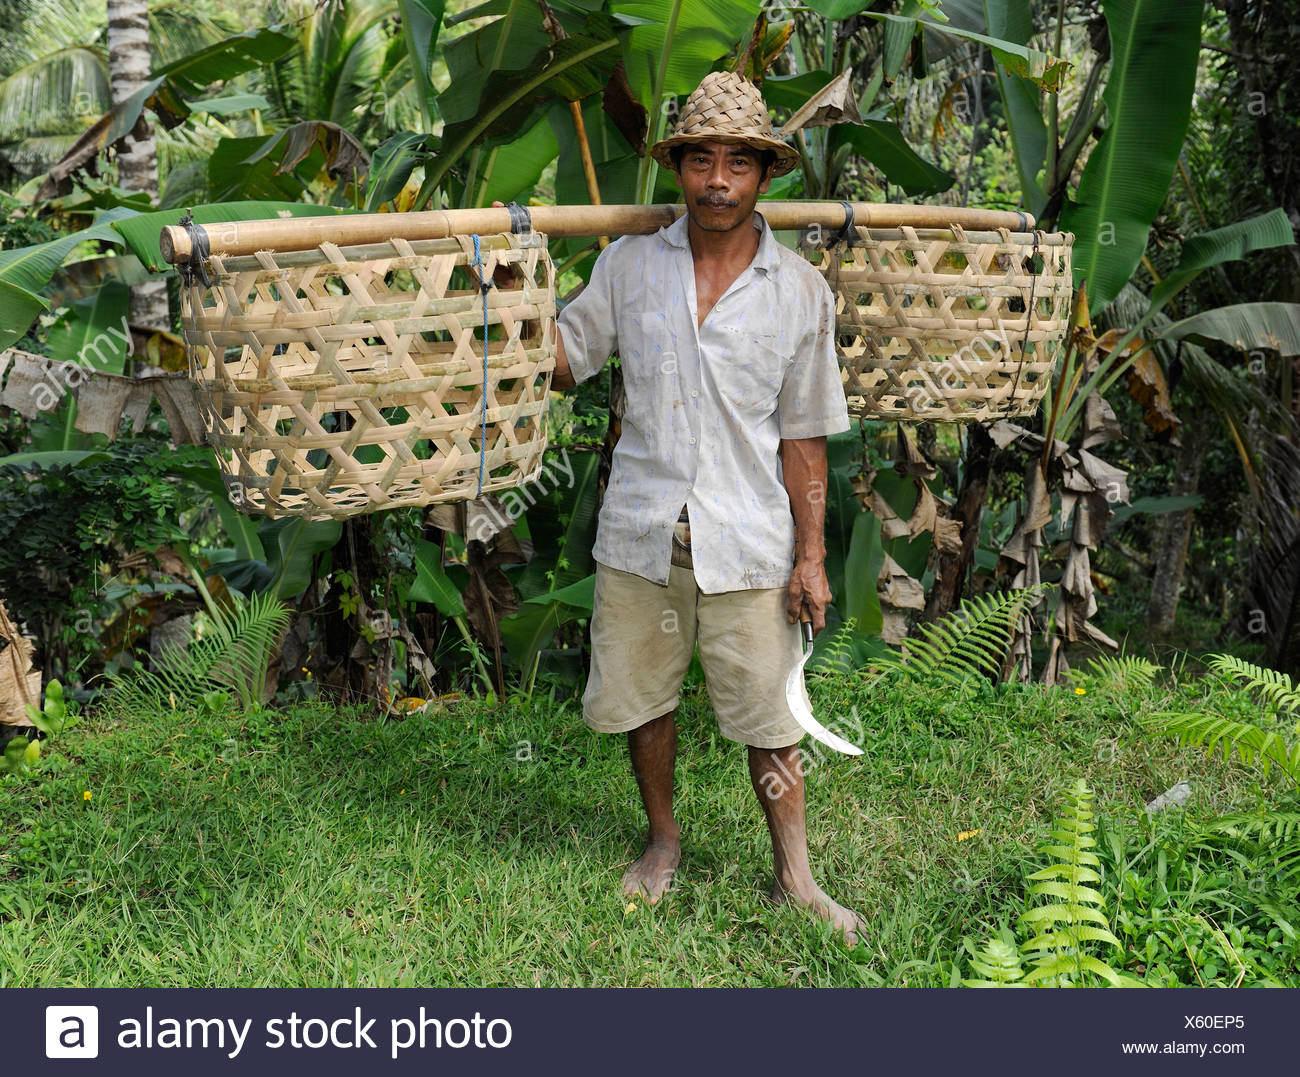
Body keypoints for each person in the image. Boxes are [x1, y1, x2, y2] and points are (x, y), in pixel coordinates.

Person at [549, 71, 860, 944]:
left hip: (750, 540)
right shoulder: (628, 267)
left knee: (771, 714)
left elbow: (805, 436)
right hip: (644, 534)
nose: (717, 180)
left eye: (737, 164)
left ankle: (796, 874)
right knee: (646, 699)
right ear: (678, 169)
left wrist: (809, 554)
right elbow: (566, 361)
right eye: (700, 162)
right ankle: (663, 837)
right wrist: (496, 289)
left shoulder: (799, 290)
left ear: (764, 176)